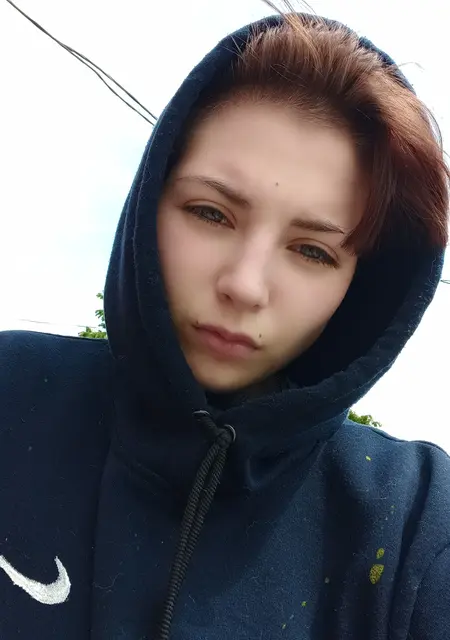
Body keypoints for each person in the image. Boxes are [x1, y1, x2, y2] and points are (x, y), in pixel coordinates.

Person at [0, 6, 449, 640]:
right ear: (150, 199)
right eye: (211, 213)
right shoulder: (13, 392)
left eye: (312, 251)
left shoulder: (412, 523)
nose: (244, 284)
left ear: (362, 286)